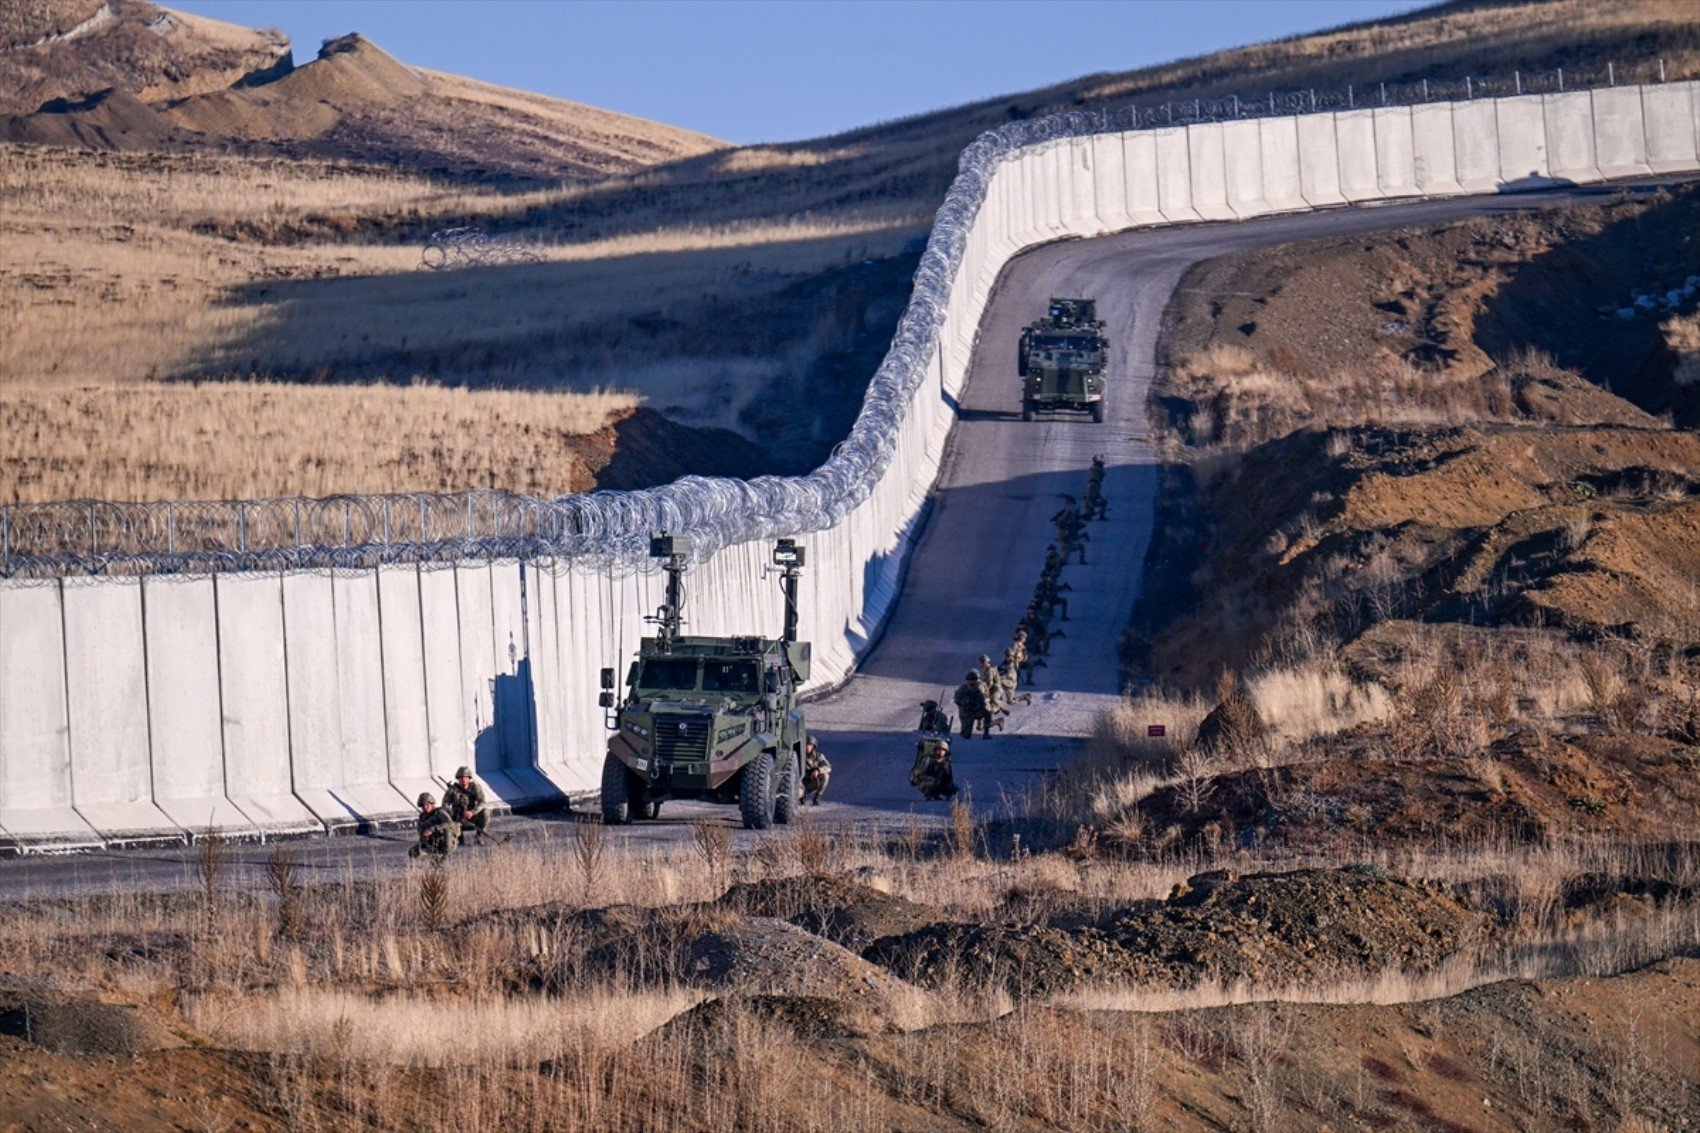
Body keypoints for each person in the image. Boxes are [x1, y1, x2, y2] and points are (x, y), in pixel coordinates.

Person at [442, 765, 490, 845]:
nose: (463, 779)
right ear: (458, 778)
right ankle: (458, 836)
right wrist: (452, 813)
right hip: (458, 818)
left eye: (465, 777)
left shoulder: (475, 787)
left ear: (469, 778)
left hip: (471, 817)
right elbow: (445, 804)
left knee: (486, 812)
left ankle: (478, 836)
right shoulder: (452, 790)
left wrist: (472, 812)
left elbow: (482, 802)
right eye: (461, 777)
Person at [909, 736, 959, 800]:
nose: (941, 752)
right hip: (925, 782)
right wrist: (932, 778)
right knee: (934, 781)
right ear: (936, 750)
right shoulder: (928, 759)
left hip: (938, 782)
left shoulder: (946, 763)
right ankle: (928, 795)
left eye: (943, 750)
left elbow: (949, 778)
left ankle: (939, 794)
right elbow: (921, 773)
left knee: (954, 788)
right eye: (939, 749)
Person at [410, 792, 457, 859]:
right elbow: (421, 831)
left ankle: (444, 855)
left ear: (432, 804)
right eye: (423, 806)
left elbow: (449, 824)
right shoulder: (422, 817)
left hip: (444, 841)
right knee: (412, 852)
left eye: (427, 804)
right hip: (431, 842)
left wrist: (433, 829)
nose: (425, 807)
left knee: (447, 831)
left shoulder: (439, 813)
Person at [953, 670, 994, 738]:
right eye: (970, 679)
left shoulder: (981, 686)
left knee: (988, 714)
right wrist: (965, 703)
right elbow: (957, 699)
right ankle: (965, 731)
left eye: (974, 680)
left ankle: (986, 733)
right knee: (966, 735)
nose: (972, 682)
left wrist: (982, 704)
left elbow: (985, 697)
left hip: (977, 710)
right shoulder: (962, 688)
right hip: (967, 712)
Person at [801, 737, 831, 806]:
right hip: (801, 782)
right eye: (806, 745)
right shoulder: (799, 756)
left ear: (813, 746)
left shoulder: (818, 756)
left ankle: (817, 798)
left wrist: (818, 770)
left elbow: (828, 767)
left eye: (810, 745)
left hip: (812, 780)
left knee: (825, 776)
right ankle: (801, 797)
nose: (807, 747)